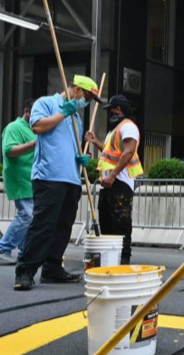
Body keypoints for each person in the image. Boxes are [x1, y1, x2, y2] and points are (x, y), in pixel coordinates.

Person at [13, 74, 99, 291]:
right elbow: (37, 127)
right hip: (48, 176)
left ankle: (52, 268)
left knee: (62, 227)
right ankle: (25, 271)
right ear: (77, 90)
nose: (86, 102)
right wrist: (63, 113)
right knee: (43, 225)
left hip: (71, 178)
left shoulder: (77, 119)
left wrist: (81, 157)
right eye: (87, 97)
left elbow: (70, 146)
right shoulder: (46, 103)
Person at [85, 94, 143, 265]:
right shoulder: (114, 131)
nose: (109, 114)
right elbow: (108, 152)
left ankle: (123, 259)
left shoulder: (128, 127)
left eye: (111, 110)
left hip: (120, 183)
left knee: (121, 223)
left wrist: (112, 175)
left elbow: (128, 152)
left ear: (118, 109)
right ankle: (111, 259)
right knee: (107, 223)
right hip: (109, 184)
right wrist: (95, 141)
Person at [0, 99, 36, 265]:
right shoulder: (14, 127)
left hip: (32, 179)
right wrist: (34, 143)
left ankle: (24, 250)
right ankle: (2, 248)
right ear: (26, 112)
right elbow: (9, 150)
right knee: (27, 215)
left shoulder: (35, 129)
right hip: (20, 178)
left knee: (31, 216)